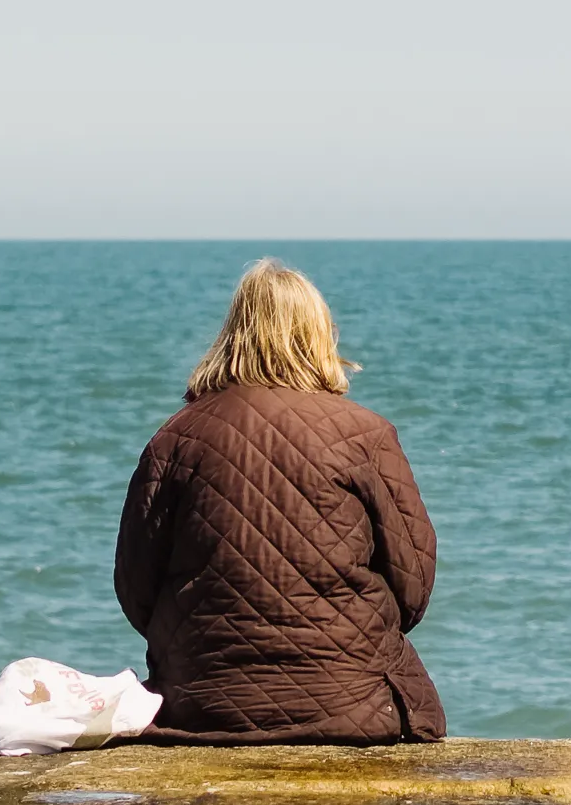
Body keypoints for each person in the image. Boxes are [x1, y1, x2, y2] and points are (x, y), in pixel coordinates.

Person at [113, 259, 443, 744]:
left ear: (232, 335)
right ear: (319, 336)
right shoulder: (365, 435)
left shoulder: (174, 438)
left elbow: (135, 588)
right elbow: (413, 588)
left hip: (199, 706)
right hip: (354, 704)